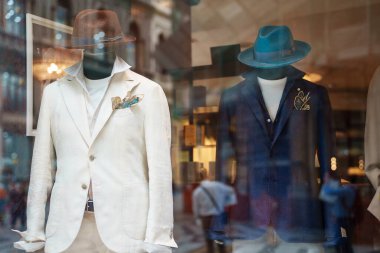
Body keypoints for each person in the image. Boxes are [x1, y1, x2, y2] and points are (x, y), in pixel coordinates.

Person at [11, 9, 177, 253]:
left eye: (106, 42)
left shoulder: (148, 92)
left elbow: (160, 171)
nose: (98, 49)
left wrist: (158, 237)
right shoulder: (54, 93)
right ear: (80, 46)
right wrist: (35, 233)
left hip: (128, 233)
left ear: (117, 44)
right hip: (67, 232)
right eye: (90, 43)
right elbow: (41, 168)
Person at [192, 168, 237, 253]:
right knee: (220, 241)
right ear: (208, 175)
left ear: (198, 177)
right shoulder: (217, 185)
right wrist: (228, 203)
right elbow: (231, 191)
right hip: (218, 217)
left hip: (206, 219)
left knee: (209, 242)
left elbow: (196, 208)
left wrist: (197, 219)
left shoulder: (197, 192)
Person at [320, 170, 356, 253]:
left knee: (341, 241)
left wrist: (326, 183)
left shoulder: (346, 190)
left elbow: (329, 192)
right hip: (344, 219)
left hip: (342, 220)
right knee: (345, 242)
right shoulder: (349, 190)